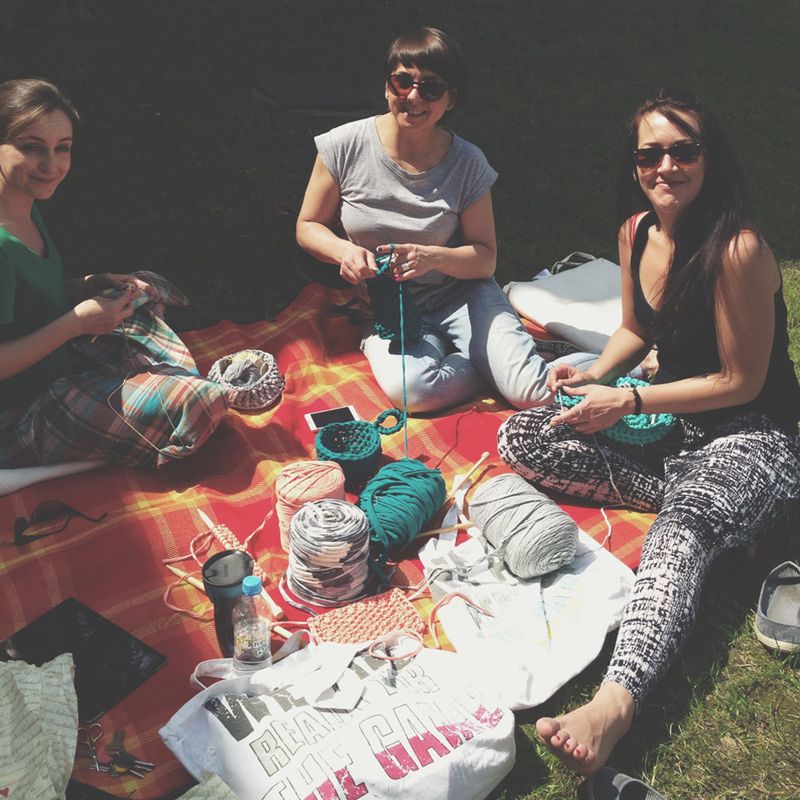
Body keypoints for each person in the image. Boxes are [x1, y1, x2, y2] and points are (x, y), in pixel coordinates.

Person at [498, 88, 800, 774]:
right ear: (634, 165)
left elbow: (740, 382)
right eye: (650, 154)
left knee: (680, 528)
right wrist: (591, 378)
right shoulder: (637, 232)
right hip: (676, 433)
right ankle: (715, 519)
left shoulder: (738, 249)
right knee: (525, 436)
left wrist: (628, 403)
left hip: (754, 434)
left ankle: (614, 704)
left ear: (709, 157)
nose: (666, 166)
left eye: (683, 150)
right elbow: (636, 329)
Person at [296, 27, 591, 413]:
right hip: (389, 309)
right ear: (387, 87)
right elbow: (307, 226)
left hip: (460, 296)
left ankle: (624, 363)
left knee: (531, 394)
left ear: (451, 99)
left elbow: (485, 259)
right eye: (402, 82)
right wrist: (343, 252)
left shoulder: (467, 163)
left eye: (430, 88)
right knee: (415, 393)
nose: (412, 97)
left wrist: (432, 257)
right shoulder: (343, 145)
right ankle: (492, 361)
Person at [0, 78, 227, 468]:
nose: (51, 166)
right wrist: (72, 325)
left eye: (62, 149)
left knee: (146, 285)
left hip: (59, 364)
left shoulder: (24, 202)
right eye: (30, 148)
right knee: (200, 402)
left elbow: (31, 297)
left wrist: (93, 283)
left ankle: (143, 391)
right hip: (19, 412)